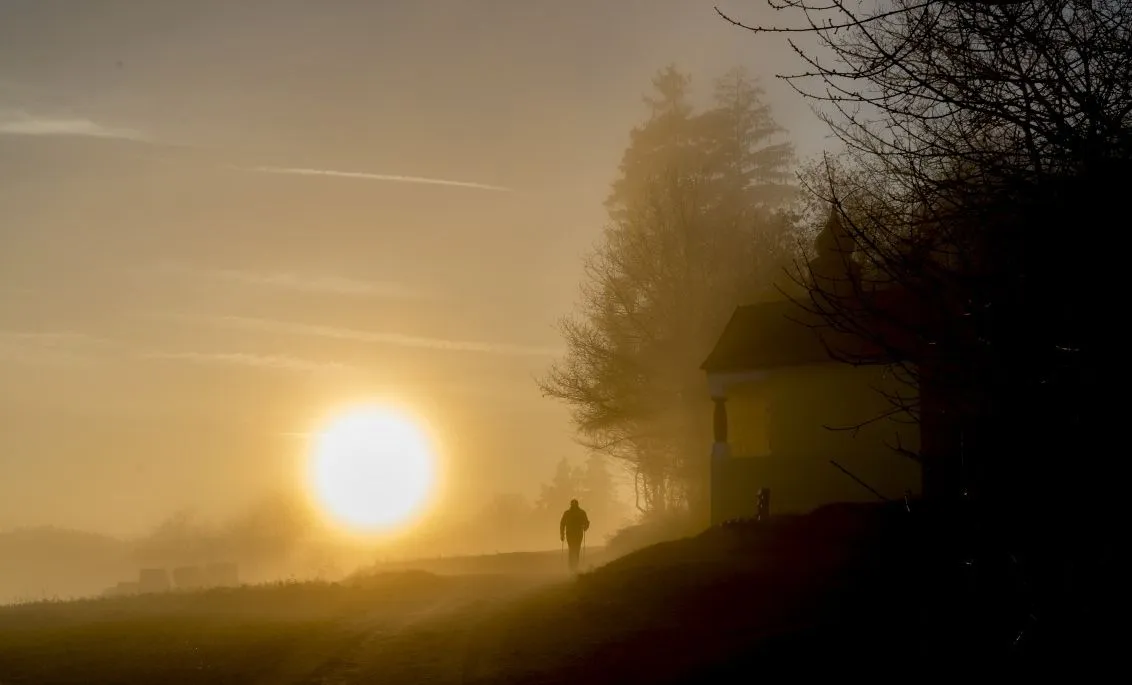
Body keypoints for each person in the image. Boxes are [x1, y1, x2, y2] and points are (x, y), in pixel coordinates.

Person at [559, 499, 590, 572]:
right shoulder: (580, 512)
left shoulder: (570, 513)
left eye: (574, 504)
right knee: (574, 549)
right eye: (573, 504)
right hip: (573, 534)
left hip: (575, 534)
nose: (574, 505)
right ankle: (573, 566)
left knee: (574, 549)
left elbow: (586, 522)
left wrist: (585, 527)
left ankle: (573, 566)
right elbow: (562, 524)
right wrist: (562, 534)